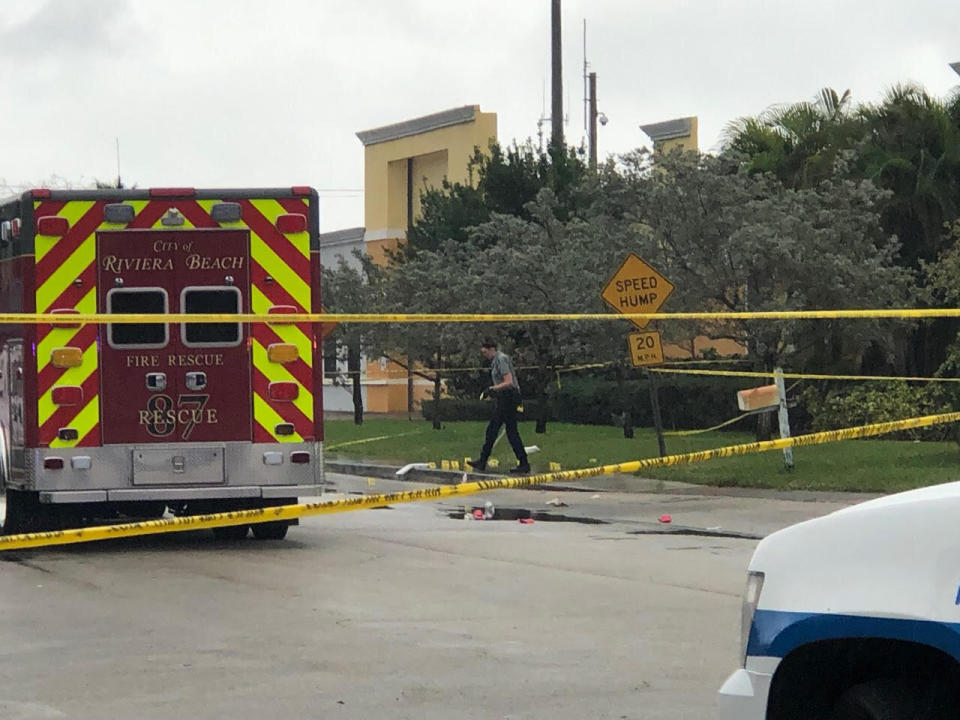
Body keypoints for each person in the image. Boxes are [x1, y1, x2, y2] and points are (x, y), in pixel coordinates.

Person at [467, 339, 530, 474]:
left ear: (492, 349)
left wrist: (492, 389)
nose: (485, 355)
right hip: (504, 397)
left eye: (485, 352)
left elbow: (508, 381)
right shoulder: (496, 361)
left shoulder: (500, 359)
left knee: (496, 429)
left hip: (509, 397)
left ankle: (484, 461)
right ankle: (523, 463)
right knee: (506, 431)